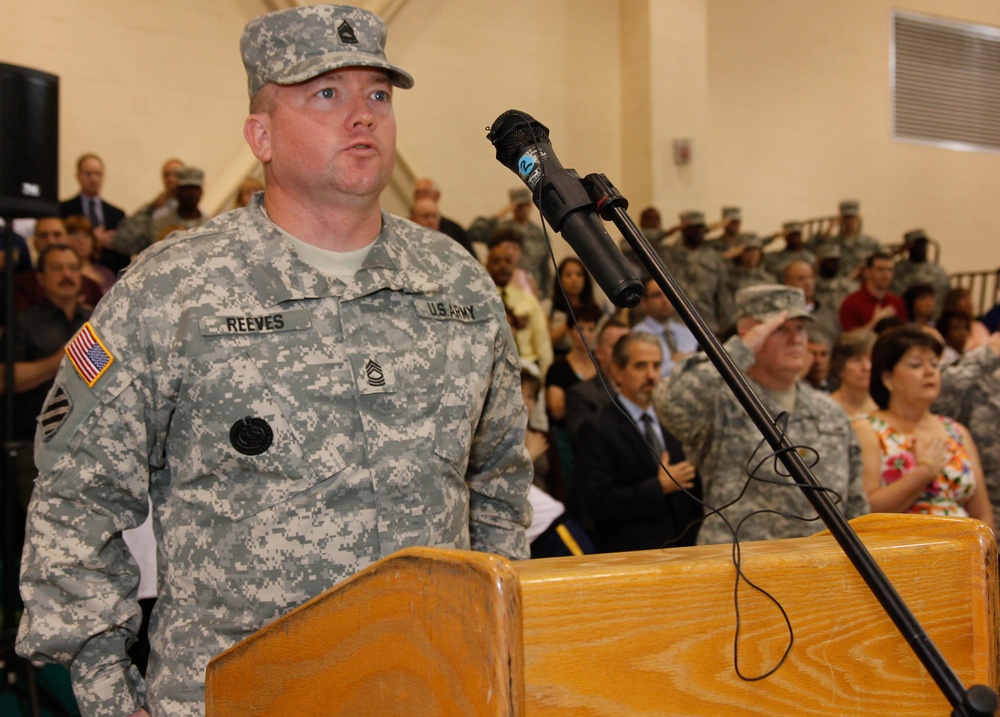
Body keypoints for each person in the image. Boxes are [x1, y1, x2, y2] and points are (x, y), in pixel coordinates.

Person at [16, 6, 532, 716]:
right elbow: (73, 503)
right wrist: (110, 695)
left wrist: (496, 648)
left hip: (430, 689)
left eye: (377, 95)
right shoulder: (173, 290)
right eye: (327, 94)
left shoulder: (457, 284)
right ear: (260, 134)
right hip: (239, 697)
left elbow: (501, 480)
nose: (363, 117)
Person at [657, 284, 869, 545]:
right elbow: (672, 403)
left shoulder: (829, 410)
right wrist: (741, 349)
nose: (796, 339)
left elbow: (855, 503)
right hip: (741, 568)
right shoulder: (721, 401)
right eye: (780, 329)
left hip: (822, 566)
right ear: (749, 334)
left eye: (800, 328)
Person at [852, 327, 994, 529]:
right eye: (916, 365)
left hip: (963, 553)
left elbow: (982, 515)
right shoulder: (867, 430)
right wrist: (924, 472)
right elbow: (864, 511)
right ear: (887, 378)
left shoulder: (957, 431)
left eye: (935, 364)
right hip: (897, 551)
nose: (929, 372)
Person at [576, 332, 702, 551]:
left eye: (656, 365)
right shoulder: (597, 428)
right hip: (633, 553)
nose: (651, 375)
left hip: (687, 549)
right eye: (640, 366)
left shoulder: (676, 420)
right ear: (617, 371)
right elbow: (599, 503)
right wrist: (659, 487)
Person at [486, 228, 553, 377]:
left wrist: (545, 378)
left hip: (527, 366)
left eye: (508, 261)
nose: (503, 265)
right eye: (497, 261)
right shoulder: (481, 299)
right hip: (492, 367)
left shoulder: (527, 300)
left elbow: (542, 342)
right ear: (487, 264)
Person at [468, 187, 550, 298]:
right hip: (504, 292)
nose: (522, 209)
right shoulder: (501, 229)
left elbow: (545, 268)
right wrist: (502, 213)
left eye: (524, 205)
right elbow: (473, 233)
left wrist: (546, 294)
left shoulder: (540, 234)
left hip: (532, 293)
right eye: (518, 205)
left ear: (530, 206)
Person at [662, 210, 733, 336]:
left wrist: (725, 327)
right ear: (683, 230)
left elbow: (723, 294)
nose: (697, 232)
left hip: (708, 325)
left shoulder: (713, 257)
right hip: (677, 325)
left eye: (700, 228)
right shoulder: (669, 255)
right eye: (692, 228)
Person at [111, 167, 209, 257]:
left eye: (194, 189)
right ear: (176, 191)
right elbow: (123, 243)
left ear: (202, 192)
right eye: (186, 189)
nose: (190, 194)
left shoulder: (209, 225)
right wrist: (150, 207)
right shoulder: (159, 224)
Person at [59, 152, 129, 273]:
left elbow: (123, 253)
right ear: (78, 176)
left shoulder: (117, 214)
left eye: (98, 174)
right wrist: (93, 240)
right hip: (74, 271)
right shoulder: (63, 210)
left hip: (109, 275)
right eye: (88, 174)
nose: (94, 179)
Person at [631, 275, 698, 378]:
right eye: (657, 295)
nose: (665, 300)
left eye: (667, 293)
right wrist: (676, 364)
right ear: (644, 302)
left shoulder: (688, 333)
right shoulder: (636, 336)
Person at [545, 256, 607, 356]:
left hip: (589, 358)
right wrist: (571, 320)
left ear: (585, 280)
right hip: (558, 357)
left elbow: (602, 340)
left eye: (579, 275)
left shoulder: (595, 309)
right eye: (568, 275)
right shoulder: (549, 306)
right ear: (559, 279)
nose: (574, 279)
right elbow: (546, 341)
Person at [838, 252, 908, 332]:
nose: (886, 275)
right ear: (868, 272)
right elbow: (849, 340)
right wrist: (874, 322)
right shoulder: (851, 303)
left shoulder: (897, 302)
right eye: (880, 270)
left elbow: (903, 334)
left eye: (890, 270)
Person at [890, 229, 950, 312]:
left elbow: (943, 296)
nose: (921, 247)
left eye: (923, 244)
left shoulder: (938, 271)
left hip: (933, 315)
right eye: (916, 244)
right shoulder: (898, 269)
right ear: (908, 247)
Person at [782, 259, 840, 342]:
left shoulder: (830, 313)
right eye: (801, 279)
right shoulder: (781, 315)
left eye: (811, 277)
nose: (808, 283)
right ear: (787, 283)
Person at [412, 177, 473, 255]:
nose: (421, 196)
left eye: (425, 192)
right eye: (417, 192)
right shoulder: (403, 227)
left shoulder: (454, 230)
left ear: (437, 195)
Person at [828, 329, 878, 421]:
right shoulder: (825, 409)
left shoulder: (884, 407)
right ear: (839, 366)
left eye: (871, 359)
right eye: (857, 360)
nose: (867, 367)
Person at [64, 215, 116, 295]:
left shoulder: (106, 273)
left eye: (86, 236)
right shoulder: (64, 273)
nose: (81, 241)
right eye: (74, 237)